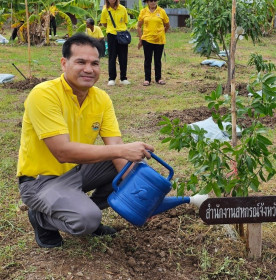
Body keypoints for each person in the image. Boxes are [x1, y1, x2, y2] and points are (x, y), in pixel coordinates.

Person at [17, 33, 154, 248]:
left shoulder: (101, 98)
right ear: (64, 63)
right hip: (40, 182)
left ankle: (80, 206)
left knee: (133, 166)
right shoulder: (43, 94)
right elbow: (62, 152)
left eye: (95, 63)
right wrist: (122, 152)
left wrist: (140, 195)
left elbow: (116, 148)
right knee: (87, 220)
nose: (89, 69)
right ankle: (41, 218)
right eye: (81, 62)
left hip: (78, 172)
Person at [137, 0, 170, 86]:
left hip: (159, 40)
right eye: (151, 1)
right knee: (148, 59)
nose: (153, 2)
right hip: (147, 39)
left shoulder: (161, 11)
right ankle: (147, 79)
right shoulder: (143, 11)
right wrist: (140, 39)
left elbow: (167, 25)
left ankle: (158, 78)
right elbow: (139, 26)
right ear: (147, 2)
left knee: (157, 60)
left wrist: (161, 33)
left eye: (155, 0)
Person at [100, 0, 130, 86]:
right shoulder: (105, 10)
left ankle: (123, 78)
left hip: (122, 34)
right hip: (111, 35)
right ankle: (112, 78)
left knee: (123, 57)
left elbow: (125, 21)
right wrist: (112, 28)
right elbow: (104, 23)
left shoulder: (123, 8)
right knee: (112, 56)